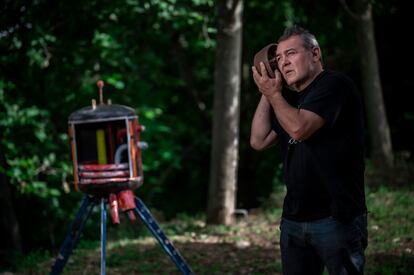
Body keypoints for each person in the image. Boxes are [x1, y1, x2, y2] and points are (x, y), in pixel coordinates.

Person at [250, 25, 368, 274]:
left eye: (291, 53)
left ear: (315, 54)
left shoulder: (334, 85)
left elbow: (299, 129)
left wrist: (274, 95)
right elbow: (258, 140)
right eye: (278, 59)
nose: (283, 62)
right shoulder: (287, 102)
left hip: (336, 218)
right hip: (294, 219)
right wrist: (268, 91)